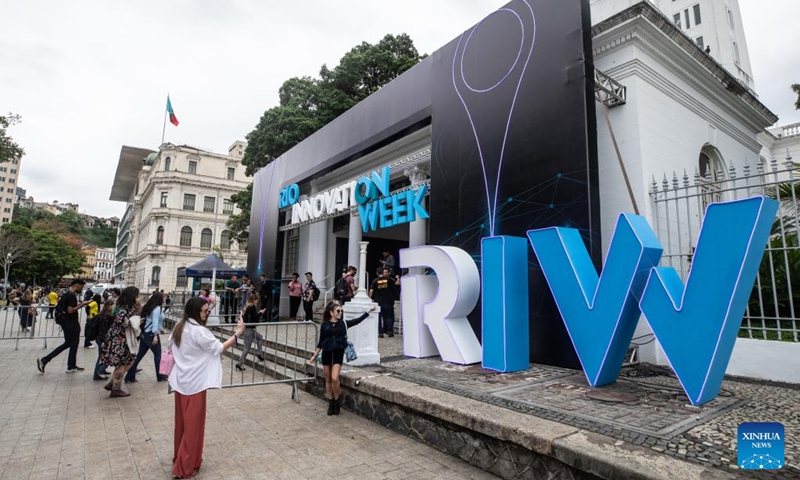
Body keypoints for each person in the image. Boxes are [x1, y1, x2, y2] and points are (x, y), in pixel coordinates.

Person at [169, 297, 244, 479]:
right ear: (196, 312)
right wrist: (237, 334)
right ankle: (185, 466)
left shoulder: (180, 326)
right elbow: (219, 348)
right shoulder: (198, 331)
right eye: (204, 311)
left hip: (182, 382)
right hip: (194, 384)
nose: (206, 313)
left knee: (182, 426)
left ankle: (183, 459)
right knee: (193, 428)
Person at [308, 301, 375, 415]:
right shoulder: (325, 325)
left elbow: (357, 321)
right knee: (328, 379)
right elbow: (321, 342)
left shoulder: (343, 323)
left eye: (341, 311)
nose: (340, 313)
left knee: (335, 377)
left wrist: (368, 311)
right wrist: (314, 355)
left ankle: (337, 400)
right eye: (338, 311)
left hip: (338, 353)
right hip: (326, 353)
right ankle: (331, 402)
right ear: (331, 313)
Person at [37, 279, 91, 374]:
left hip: (67, 323)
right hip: (71, 323)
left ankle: (71, 365)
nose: (82, 289)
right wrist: (82, 304)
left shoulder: (67, 294)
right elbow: (70, 310)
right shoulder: (71, 295)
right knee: (71, 343)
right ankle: (46, 360)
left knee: (70, 344)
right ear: (77, 285)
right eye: (82, 287)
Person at [99, 286, 140, 397]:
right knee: (122, 364)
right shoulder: (125, 308)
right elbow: (121, 321)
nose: (138, 297)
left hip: (122, 338)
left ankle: (113, 383)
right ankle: (115, 389)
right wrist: (135, 322)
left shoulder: (127, 307)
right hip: (120, 340)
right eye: (136, 295)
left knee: (129, 361)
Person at [125, 292, 168, 383]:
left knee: (139, 355)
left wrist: (161, 329)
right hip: (152, 334)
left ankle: (129, 376)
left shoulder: (152, 307)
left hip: (146, 333)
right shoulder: (157, 308)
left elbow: (152, 321)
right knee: (158, 355)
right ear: (159, 299)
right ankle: (160, 376)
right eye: (164, 297)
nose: (165, 299)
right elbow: (155, 322)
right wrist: (156, 335)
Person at [236, 293, 265, 371]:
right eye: (257, 300)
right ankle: (239, 363)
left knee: (260, 337)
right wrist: (261, 312)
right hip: (249, 329)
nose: (257, 301)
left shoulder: (247, 306)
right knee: (246, 348)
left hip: (248, 328)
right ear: (254, 300)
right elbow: (256, 316)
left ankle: (259, 353)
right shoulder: (252, 307)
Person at [369, 267, 400, 338]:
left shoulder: (375, 280)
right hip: (388, 301)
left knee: (379, 317)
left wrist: (370, 298)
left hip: (378, 301)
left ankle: (380, 333)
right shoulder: (389, 280)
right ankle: (390, 331)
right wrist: (398, 278)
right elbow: (397, 283)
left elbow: (371, 291)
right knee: (389, 316)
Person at [92, 300, 115, 381]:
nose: (113, 307)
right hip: (103, 339)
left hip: (99, 338)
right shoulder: (108, 316)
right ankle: (98, 372)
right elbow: (105, 330)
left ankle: (100, 372)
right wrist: (106, 341)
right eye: (112, 305)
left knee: (102, 355)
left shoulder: (101, 314)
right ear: (109, 306)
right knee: (104, 356)